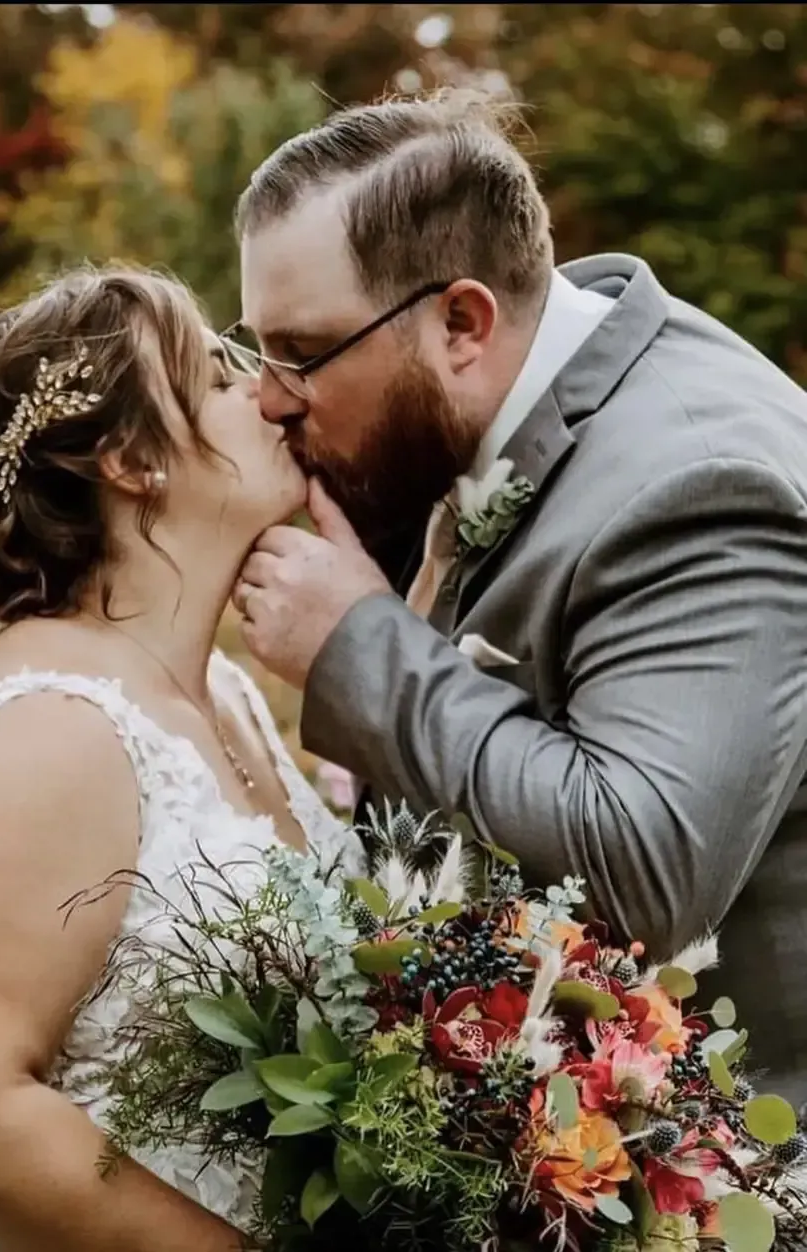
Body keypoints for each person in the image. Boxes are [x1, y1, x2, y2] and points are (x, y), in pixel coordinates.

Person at [229, 88, 807, 1103]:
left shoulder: (700, 480)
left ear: (461, 321)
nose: (271, 394)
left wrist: (357, 646)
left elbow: (644, 865)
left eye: (301, 350)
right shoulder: (491, 406)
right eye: (255, 346)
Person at [0, 265, 361, 1251]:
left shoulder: (223, 694)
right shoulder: (40, 727)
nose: (262, 391)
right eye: (216, 377)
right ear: (132, 461)